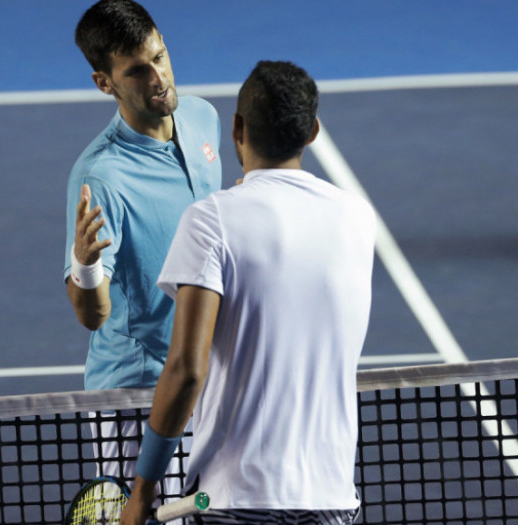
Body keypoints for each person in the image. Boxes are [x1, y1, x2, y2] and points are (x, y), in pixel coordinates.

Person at [122, 61, 377, 525]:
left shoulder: (210, 221)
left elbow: (186, 369)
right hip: (332, 500)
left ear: (237, 128)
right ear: (312, 132)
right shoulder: (358, 218)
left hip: (232, 500)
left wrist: (142, 492)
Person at [64, 0, 222, 490]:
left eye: (159, 57)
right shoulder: (101, 178)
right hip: (138, 397)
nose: (158, 78)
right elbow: (92, 315)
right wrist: (85, 266)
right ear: (104, 83)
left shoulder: (202, 118)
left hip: (205, 374)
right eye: (136, 70)